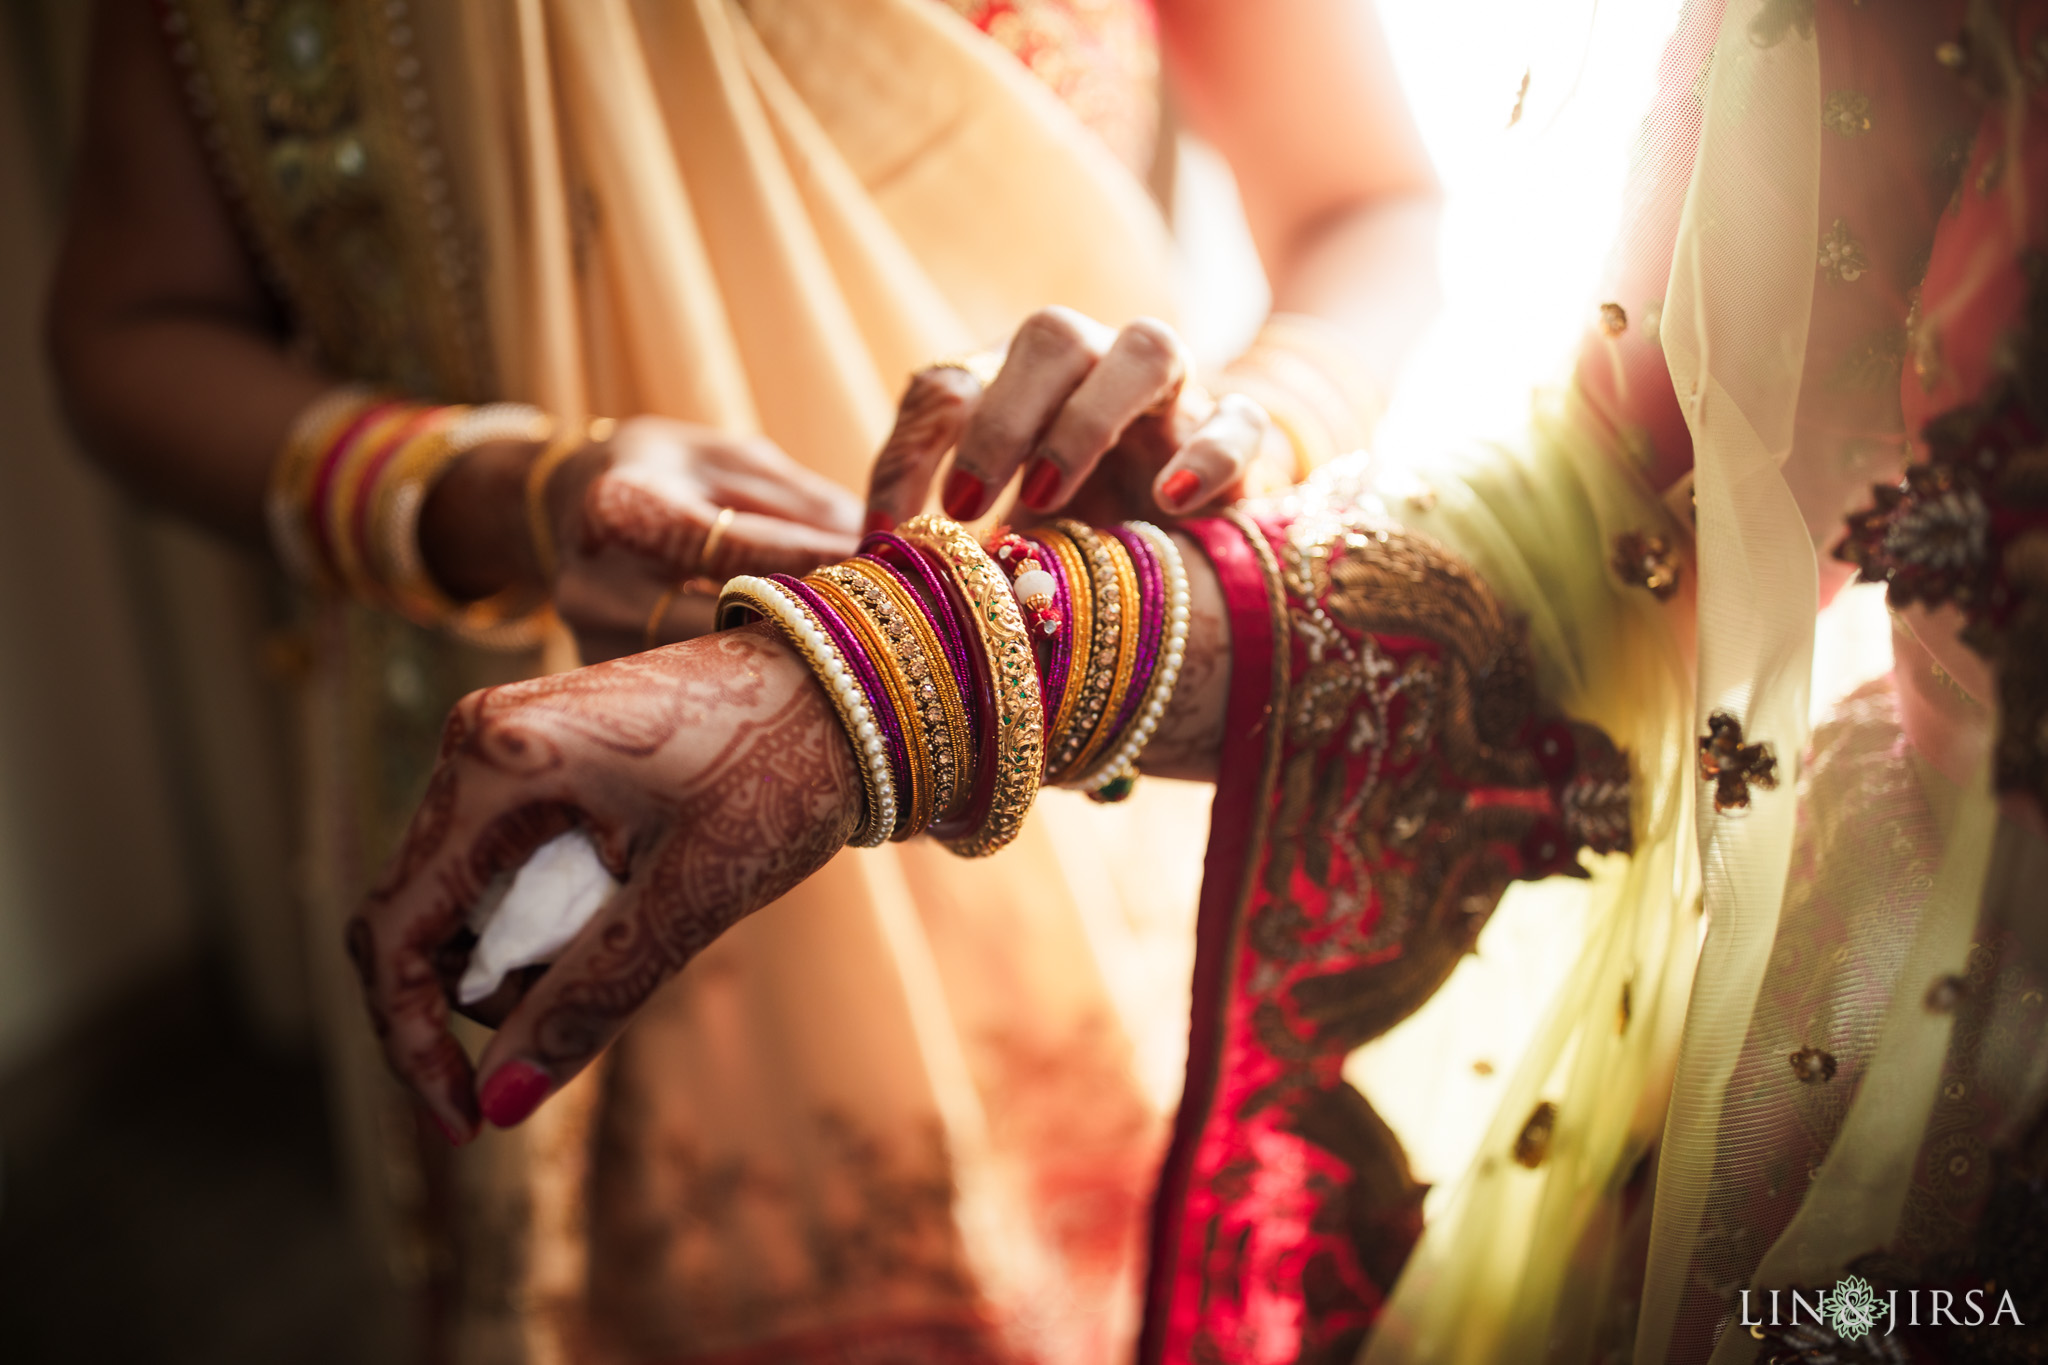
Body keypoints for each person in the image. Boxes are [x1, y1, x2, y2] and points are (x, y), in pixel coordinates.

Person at [350, 0, 2048, 1361]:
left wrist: (1249, 430)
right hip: (763, 743)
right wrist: (893, 664)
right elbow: (1634, 521)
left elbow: (1369, 207)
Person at [46, 0, 1442, 1358]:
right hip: (530, 795)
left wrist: (1245, 446)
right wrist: (502, 496)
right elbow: (127, 330)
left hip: (1056, 747)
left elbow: (1369, 201)